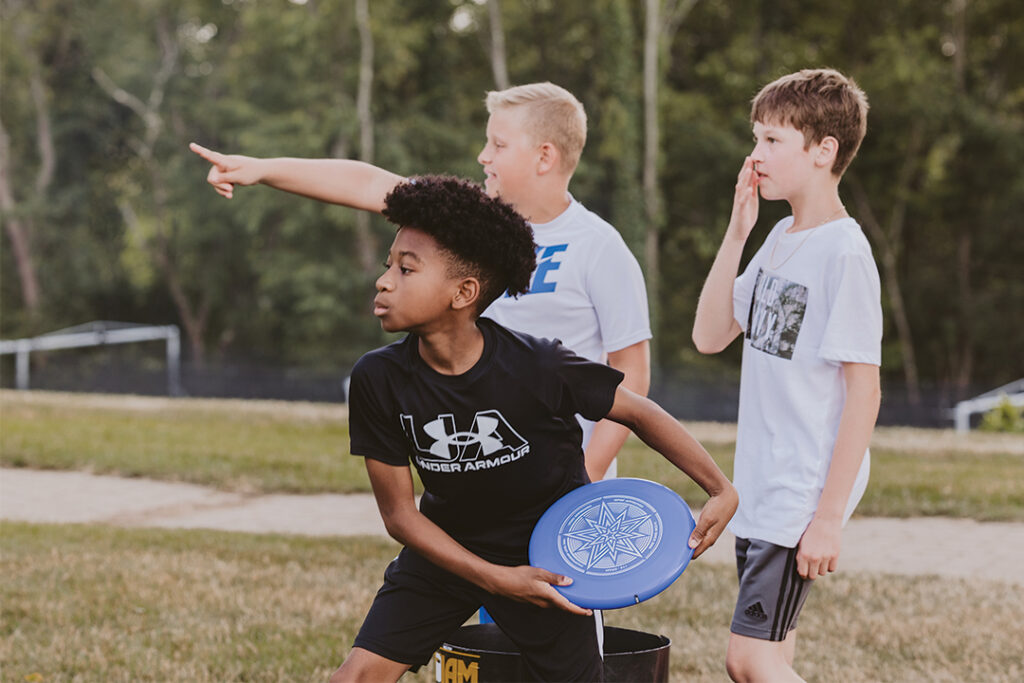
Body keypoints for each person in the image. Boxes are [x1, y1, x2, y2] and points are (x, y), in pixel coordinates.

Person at [329, 175, 736, 682]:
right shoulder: (378, 378)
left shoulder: (539, 366)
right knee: (354, 677)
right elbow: (399, 516)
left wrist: (720, 488)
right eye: (390, 264)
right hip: (445, 554)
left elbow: (640, 411)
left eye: (406, 269)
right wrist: (497, 580)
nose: (384, 279)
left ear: (464, 292)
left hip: (549, 564)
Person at [189, 82, 649, 483]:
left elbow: (632, 370)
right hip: (476, 469)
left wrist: (585, 474)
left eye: (499, 144)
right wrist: (263, 170)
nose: (482, 156)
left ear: (544, 156)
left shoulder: (599, 247)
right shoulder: (467, 225)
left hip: (561, 479)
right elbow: (368, 184)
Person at [691, 68, 882, 682]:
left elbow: (865, 391)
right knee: (775, 653)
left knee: (750, 660)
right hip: (762, 483)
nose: (755, 155)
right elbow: (709, 334)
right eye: (756, 138)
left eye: (773, 141)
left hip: (800, 491)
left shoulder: (845, 252)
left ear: (824, 151)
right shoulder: (777, 238)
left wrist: (826, 518)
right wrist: (738, 231)